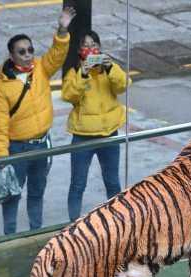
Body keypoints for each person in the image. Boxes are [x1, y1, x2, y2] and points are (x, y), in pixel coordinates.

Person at [0, 7, 76, 235]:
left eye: (30, 49)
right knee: (12, 195)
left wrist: (62, 29)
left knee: (37, 192)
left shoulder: (40, 68)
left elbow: (57, 54)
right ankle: (10, 237)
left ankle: (35, 234)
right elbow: (0, 125)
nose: (28, 54)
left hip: (42, 144)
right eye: (22, 52)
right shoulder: (3, 86)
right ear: (12, 56)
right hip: (17, 148)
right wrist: (2, 157)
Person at [61, 30, 130, 222]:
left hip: (109, 133)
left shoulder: (108, 69)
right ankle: (73, 224)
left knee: (112, 181)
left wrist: (110, 68)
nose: (91, 49)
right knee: (77, 184)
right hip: (83, 135)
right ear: (79, 50)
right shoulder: (75, 72)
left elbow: (123, 85)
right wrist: (83, 72)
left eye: (94, 45)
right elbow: (69, 95)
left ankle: (118, 220)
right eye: (86, 45)